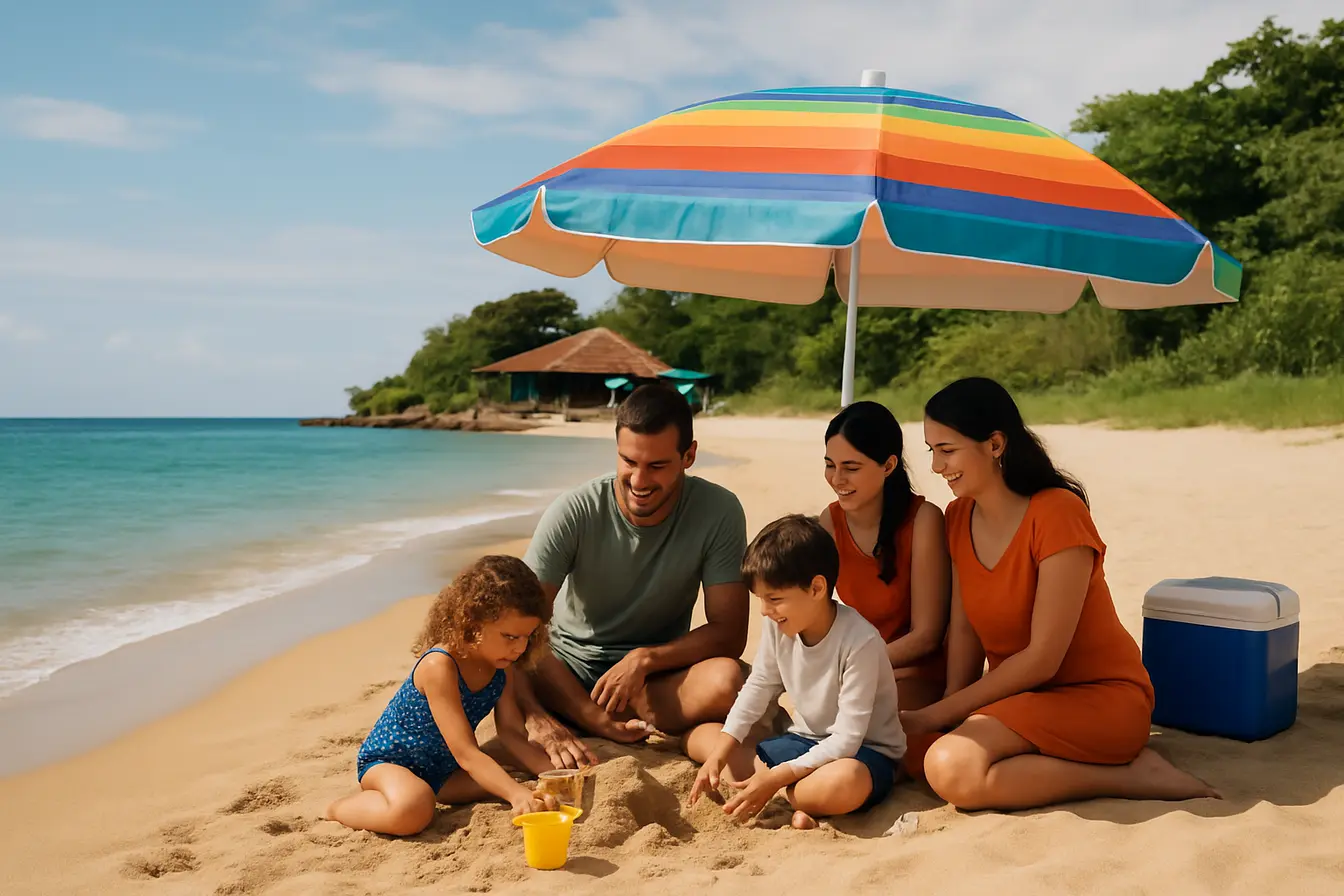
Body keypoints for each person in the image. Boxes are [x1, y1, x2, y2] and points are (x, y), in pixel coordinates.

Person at [905, 377, 1218, 811]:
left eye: (948, 450)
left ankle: (1130, 776)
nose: (937, 467)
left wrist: (935, 717)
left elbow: (1043, 658)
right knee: (923, 756)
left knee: (950, 767)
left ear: (995, 444)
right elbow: (964, 629)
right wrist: (947, 709)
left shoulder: (1057, 513)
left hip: (1100, 701)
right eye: (931, 451)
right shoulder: (958, 517)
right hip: (1022, 700)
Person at [516, 383, 751, 770]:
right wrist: (539, 715)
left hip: (652, 681)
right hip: (566, 673)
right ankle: (591, 718)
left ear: (688, 456)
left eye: (657, 466)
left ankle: (610, 718)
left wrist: (644, 660)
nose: (639, 481)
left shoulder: (718, 511)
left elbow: (730, 633)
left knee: (728, 681)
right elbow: (515, 627)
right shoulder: (574, 511)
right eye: (629, 462)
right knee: (509, 654)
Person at [689, 514, 906, 830]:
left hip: (862, 753)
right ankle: (796, 798)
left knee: (842, 783)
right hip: (804, 742)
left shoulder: (861, 642)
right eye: (761, 600)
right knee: (708, 741)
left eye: (774, 599)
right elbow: (759, 686)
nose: (765, 610)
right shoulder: (780, 624)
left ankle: (788, 793)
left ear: (817, 588)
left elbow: (846, 739)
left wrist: (776, 777)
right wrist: (719, 755)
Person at [326, 556, 562, 836]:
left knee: (514, 776)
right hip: (392, 763)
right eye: (510, 637)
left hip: (445, 771)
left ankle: (423, 791)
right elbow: (466, 752)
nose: (520, 648)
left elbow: (511, 733)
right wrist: (515, 795)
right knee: (414, 810)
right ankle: (336, 809)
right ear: (473, 621)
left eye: (528, 636)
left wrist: (551, 777)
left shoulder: (502, 665)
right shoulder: (439, 666)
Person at [817, 400, 950, 777]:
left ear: (889, 466)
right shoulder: (830, 521)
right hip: (861, 671)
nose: (837, 479)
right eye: (830, 465)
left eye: (851, 468)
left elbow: (928, 636)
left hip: (917, 674)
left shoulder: (923, 521)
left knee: (867, 735)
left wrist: (856, 669)